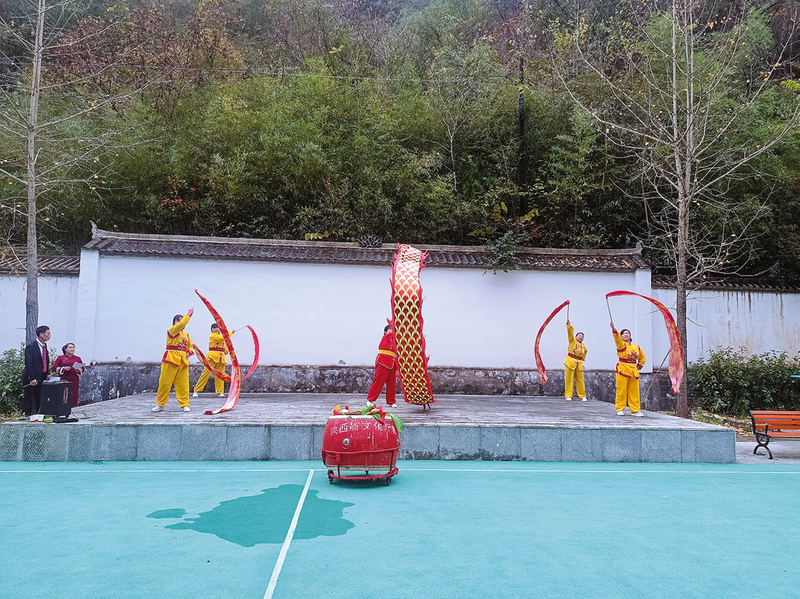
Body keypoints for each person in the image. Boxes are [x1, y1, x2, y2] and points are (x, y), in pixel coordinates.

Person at [152, 309, 195, 413]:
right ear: (174, 322)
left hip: (182, 360)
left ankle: (185, 404)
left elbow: (190, 346)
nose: (180, 322)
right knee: (165, 382)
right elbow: (182, 324)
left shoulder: (186, 335)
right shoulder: (172, 330)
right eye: (178, 321)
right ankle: (160, 404)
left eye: (181, 320)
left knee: (183, 384)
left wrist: (189, 353)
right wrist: (189, 314)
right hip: (171, 359)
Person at [610, 323, 646, 417]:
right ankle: (620, 408)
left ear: (630, 335)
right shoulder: (621, 345)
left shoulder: (636, 347)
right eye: (623, 333)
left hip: (633, 370)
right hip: (623, 369)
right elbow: (617, 339)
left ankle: (635, 409)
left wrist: (638, 367)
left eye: (627, 333)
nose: (626, 334)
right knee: (621, 389)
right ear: (621, 336)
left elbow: (642, 358)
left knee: (634, 391)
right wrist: (614, 330)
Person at [22, 325, 51, 416]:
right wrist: (32, 378)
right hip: (31, 377)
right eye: (48, 333)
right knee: (29, 399)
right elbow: (28, 363)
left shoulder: (44, 345)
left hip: (41, 376)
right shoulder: (31, 346)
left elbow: (45, 361)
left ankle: (40, 416)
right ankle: (27, 416)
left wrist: (47, 373)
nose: (50, 335)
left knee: (40, 398)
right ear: (41, 334)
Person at [366, 324, 398, 408]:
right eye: (389, 329)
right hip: (383, 361)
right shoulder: (386, 337)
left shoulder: (395, 340)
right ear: (385, 332)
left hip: (392, 362)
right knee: (379, 381)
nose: (391, 331)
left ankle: (391, 401)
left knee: (392, 383)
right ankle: (370, 400)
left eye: (392, 330)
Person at [193, 323, 228, 398]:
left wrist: (225, 350)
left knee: (220, 375)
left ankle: (220, 392)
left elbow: (225, 347)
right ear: (212, 329)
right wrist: (229, 333)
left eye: (218, 327)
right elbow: (222, 338)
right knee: (206, 373)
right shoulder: (213, 335)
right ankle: (196, 390)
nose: (217, 329)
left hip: (221, 358)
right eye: (215, 328)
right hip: (212, 356)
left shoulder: (221, 337)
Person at [52, 343, 85, 408]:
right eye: (70, 347)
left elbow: (82, 368)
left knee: (74, 394)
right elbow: (54, 368)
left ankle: (73, 408)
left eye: (73, 347)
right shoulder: (61, 358)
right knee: (64, 394)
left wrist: (79, 370)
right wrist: (63, 368)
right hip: (64, 379)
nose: (72, 349)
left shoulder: (78, 358)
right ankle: (63, 408)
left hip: (74, 380)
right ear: (65, 349)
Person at [564, 321, 587, 401]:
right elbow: (570, 333)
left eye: (582, 336)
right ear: (576, 336)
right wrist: (569, 326)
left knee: (580, 380)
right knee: (569, 379)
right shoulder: (572, 341)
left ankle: (582, 395)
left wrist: (581, 360)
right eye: (579, 336)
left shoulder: (584, 346)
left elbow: (585, 354)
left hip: (579, 363)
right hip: (570, 361)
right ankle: (568, 395)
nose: (581, 337)